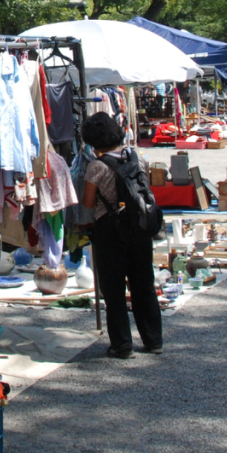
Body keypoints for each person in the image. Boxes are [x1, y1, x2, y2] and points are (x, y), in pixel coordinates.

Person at [81, 112, 163, 358]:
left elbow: (88, 203)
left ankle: (122, 344)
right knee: (144, 285)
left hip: (110, 230)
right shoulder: (137, 158)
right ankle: (153, 339)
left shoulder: (97, 166)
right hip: (139, 227)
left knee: (114, 289)